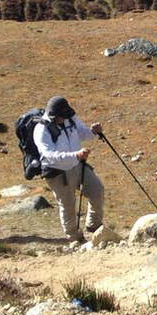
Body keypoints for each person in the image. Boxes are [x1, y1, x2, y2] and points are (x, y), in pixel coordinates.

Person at [34, 96, 106, 242]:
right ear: (53, 116)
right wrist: (76, 155)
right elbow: (49, 155)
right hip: (58, 172)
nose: (65, 119)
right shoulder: (41, 130)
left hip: (78, 165)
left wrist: (93, 132)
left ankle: (94, 226)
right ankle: (74, 239)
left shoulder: (70, 118)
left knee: (97, 190)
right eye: (62, 117)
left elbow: (82, 133)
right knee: (68, 205)